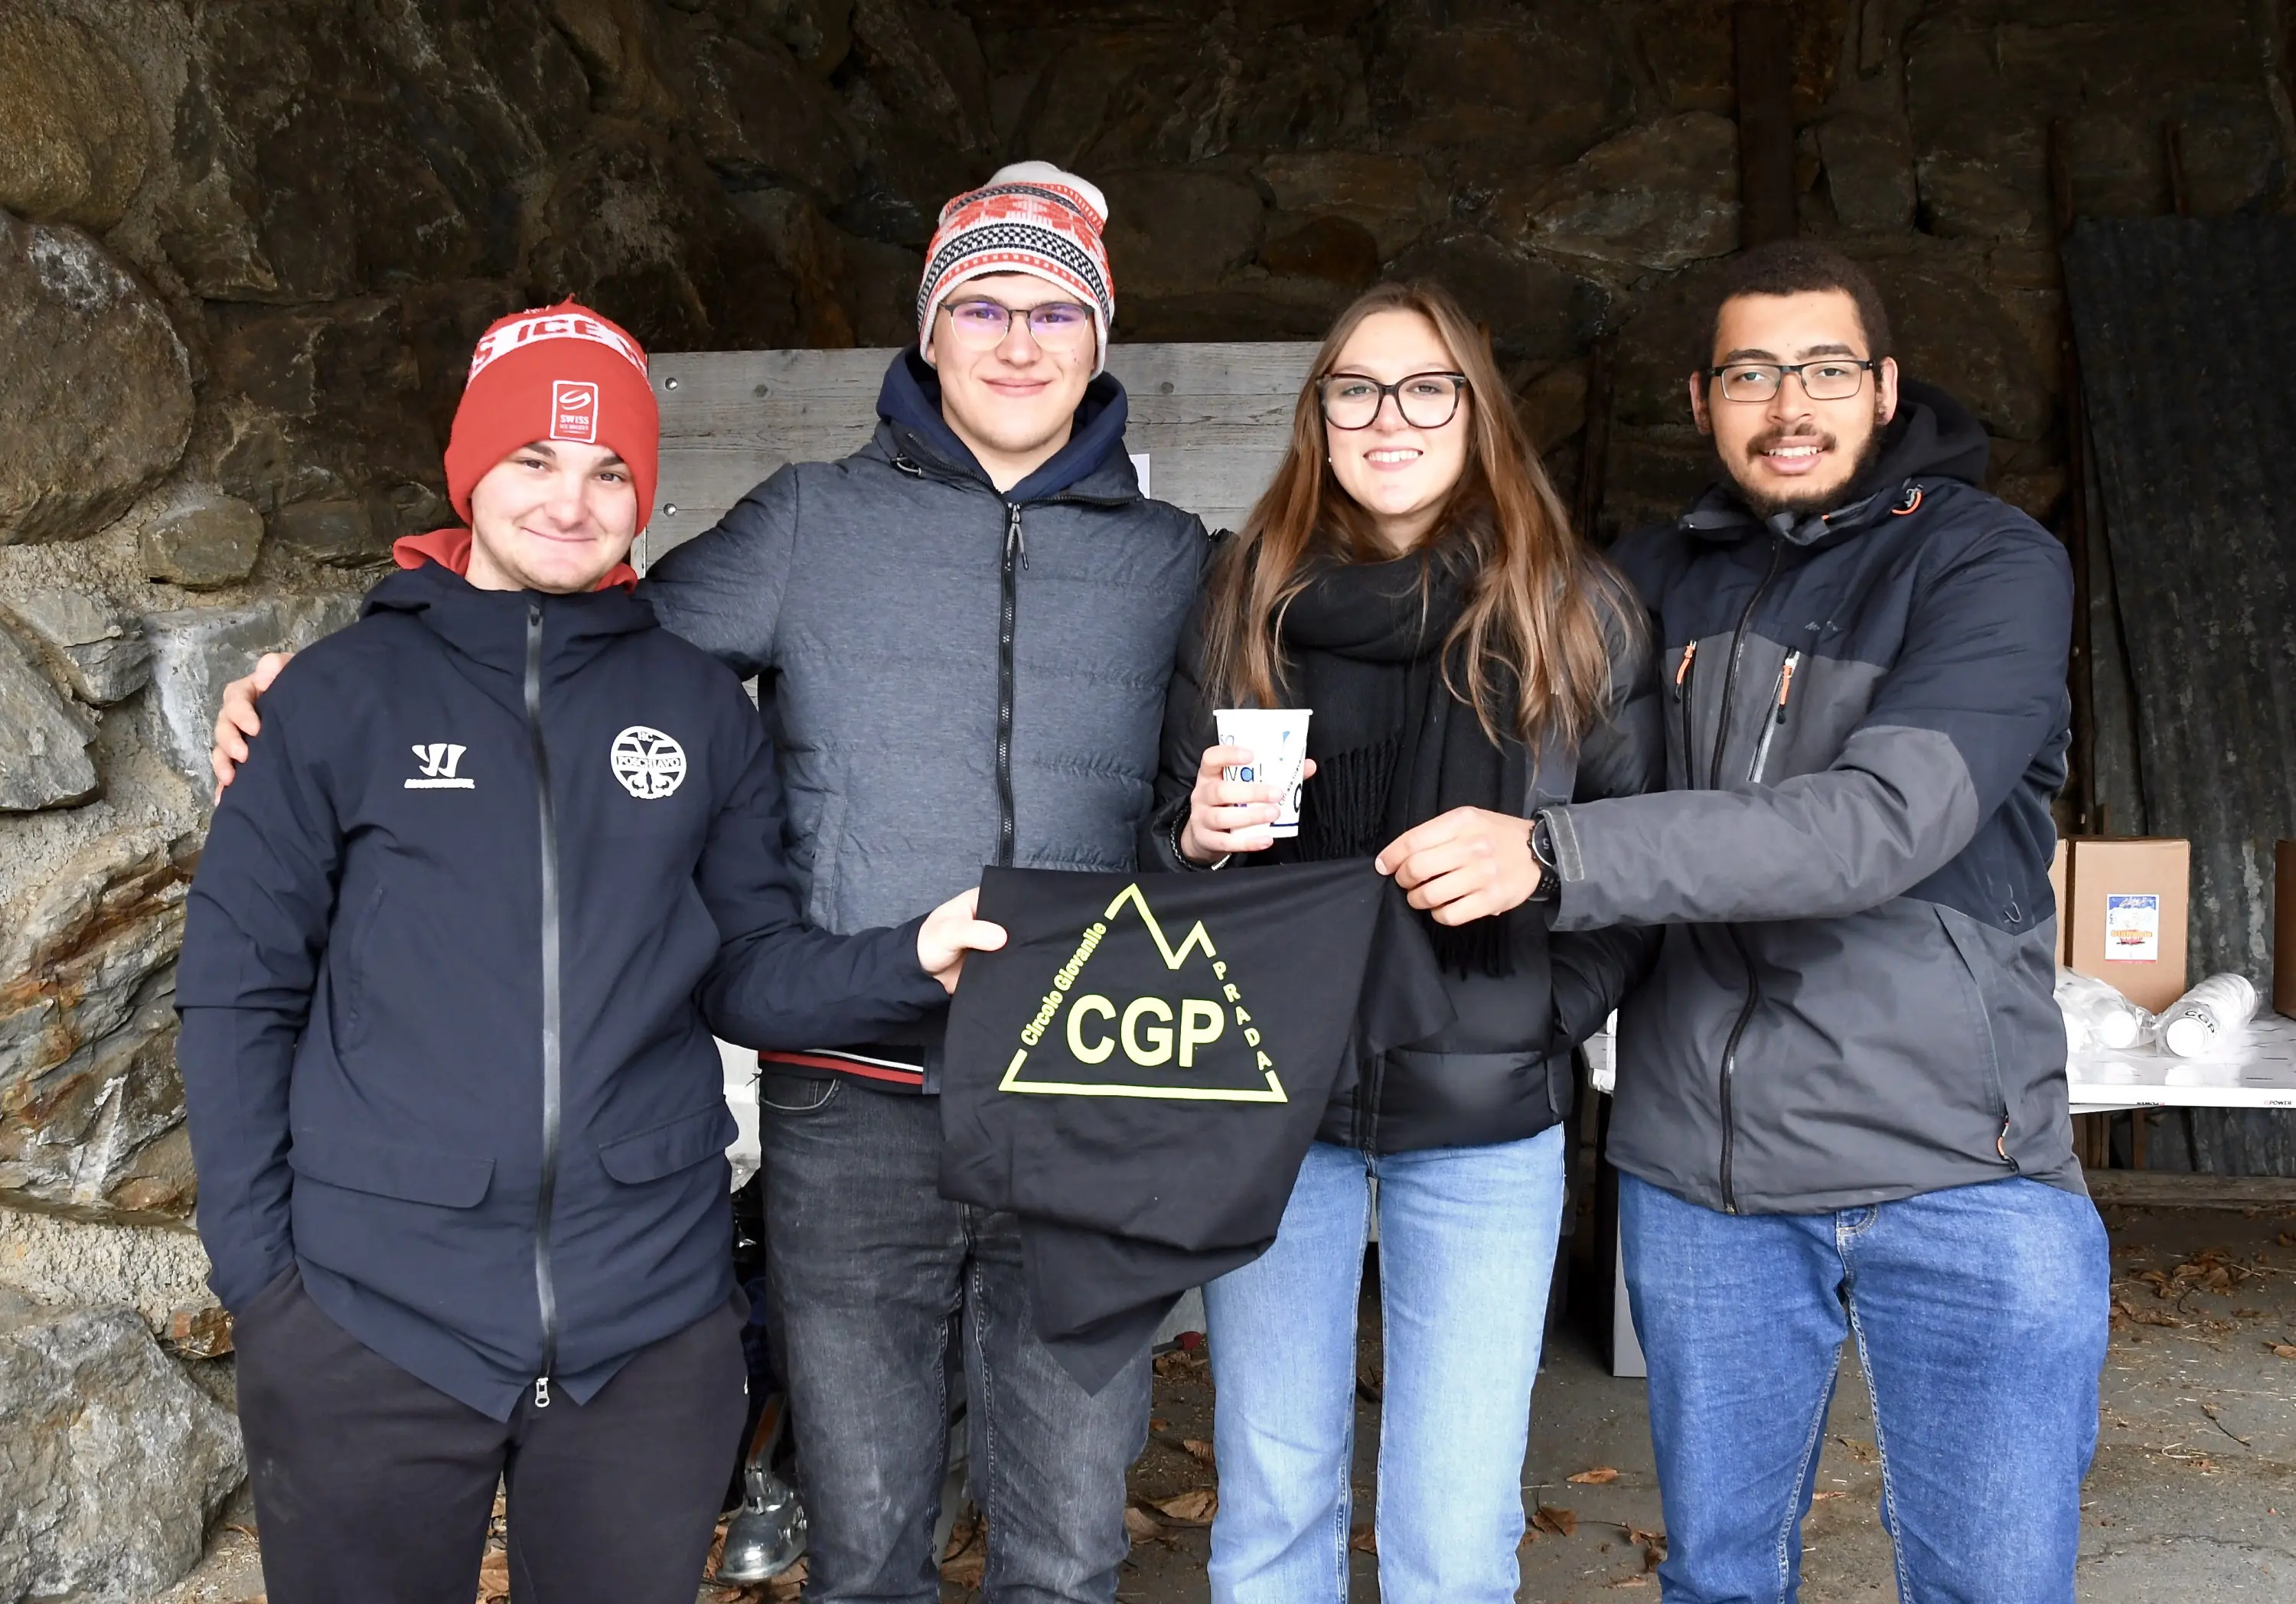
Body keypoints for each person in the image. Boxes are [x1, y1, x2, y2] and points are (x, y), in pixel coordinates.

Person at [208, 164, 1207, 1604]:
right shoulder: (806, 524)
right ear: (929, 332)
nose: (1016, 339)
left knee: (1067, 1546)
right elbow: (572, 638)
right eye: (979, 303)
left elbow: (1276, 721)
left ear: (1101, 339)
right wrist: (338, 674)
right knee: (867, 1548)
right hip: (852, 1093)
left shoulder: (1176, 562)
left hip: (1082, 1090)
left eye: (1055, 310)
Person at [1512, 240, 2106, 1602]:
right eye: (1752, 373)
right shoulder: (1642, 581)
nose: (1791, 404)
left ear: (1886, 386)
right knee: (1721, 1582)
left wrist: (1550, 855)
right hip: (1703, 1183)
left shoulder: (1990, 566)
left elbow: (1878, 826)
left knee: (1993, 1586)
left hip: (1958, 1170)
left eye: (1828, 368)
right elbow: (1529, 754)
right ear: (1702, 399)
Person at [1140, 279, 1660, 1604]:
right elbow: (1158, 847)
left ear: (1477, 412)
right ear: (1319, 416)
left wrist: (1542, 1016)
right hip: (1276, 1104)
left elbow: (1638, 858)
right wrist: (1195, 837)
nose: (1390, 418)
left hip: (1485, 1116)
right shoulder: (1244, 591)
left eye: (1427, 388)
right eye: (1356, 389)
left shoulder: (1574, 606)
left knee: (1453, 1528)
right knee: (1269, 1504)